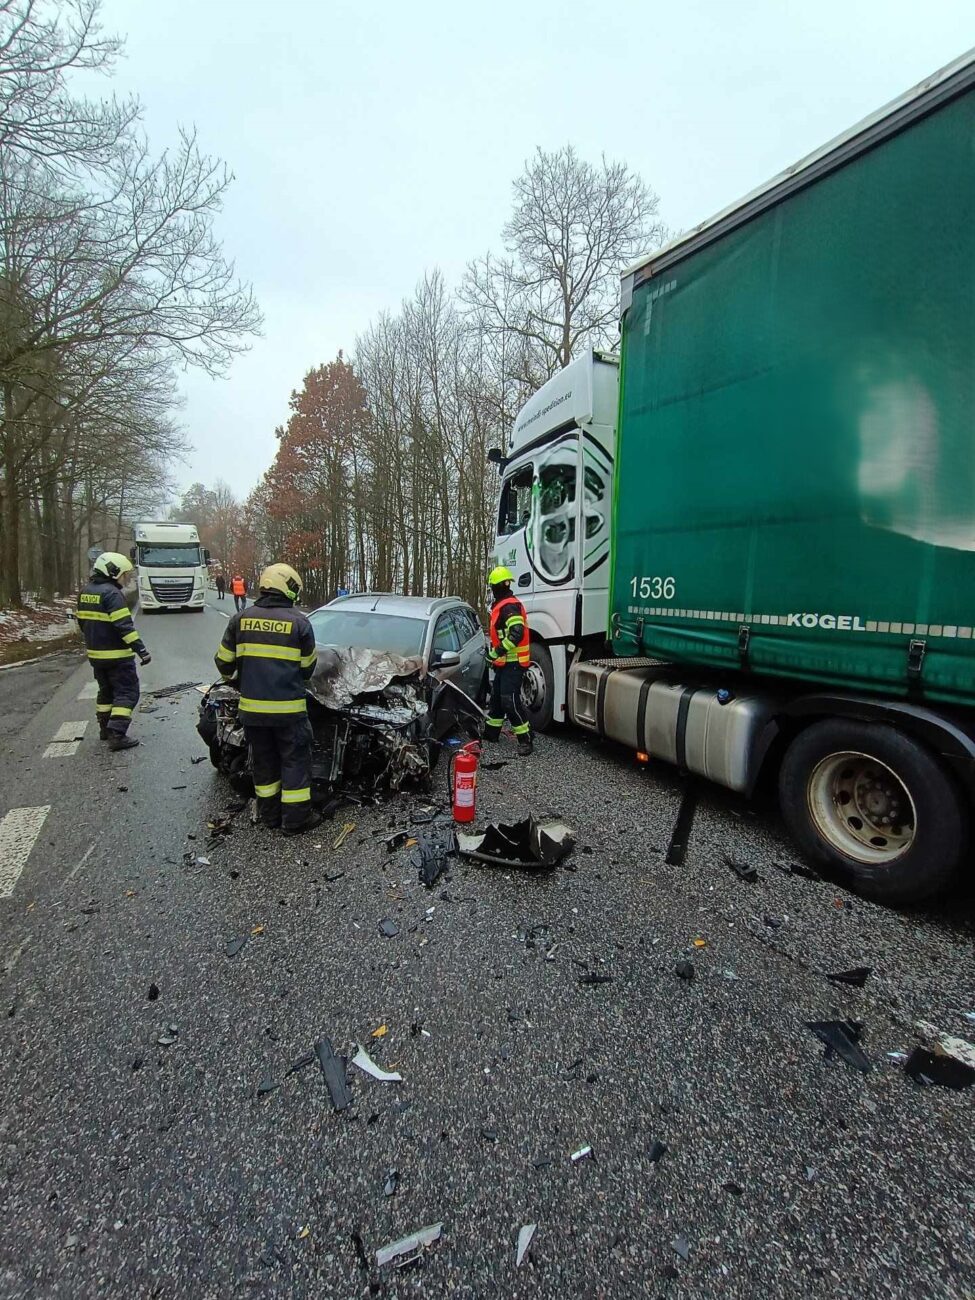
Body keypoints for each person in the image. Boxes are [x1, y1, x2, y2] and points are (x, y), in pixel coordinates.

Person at [214, 562, 322, 835]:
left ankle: (270, 816)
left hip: (252, 713)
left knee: (264, 763)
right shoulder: (300, 623)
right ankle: (295, 821)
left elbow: (223, 662)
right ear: (287, 586)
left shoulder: (240, 620)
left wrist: (242, 680)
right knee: (294, 762)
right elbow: (308, 668)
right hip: (289, 712)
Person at [76, 552, 151, 751]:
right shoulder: (112, 594)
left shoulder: (85, 591)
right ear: (113, 571)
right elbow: (124, 627)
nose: (126, 578)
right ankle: (117, 734)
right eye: (124, 574)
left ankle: (104, 729)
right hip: (117, 656)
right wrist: (141, 650)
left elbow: (82, 623)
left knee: (106, 692)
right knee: (127, 692)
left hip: (96, 656)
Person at [483, 565, 532, 756]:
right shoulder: (501, 605)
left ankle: (525, 739)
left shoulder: (509, 606)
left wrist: (496, 652)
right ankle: (491, 733)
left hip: (514, 662)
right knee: (496, 699)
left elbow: (516, 633)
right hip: (505, 663)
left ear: (496, 586)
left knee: (509, 700)